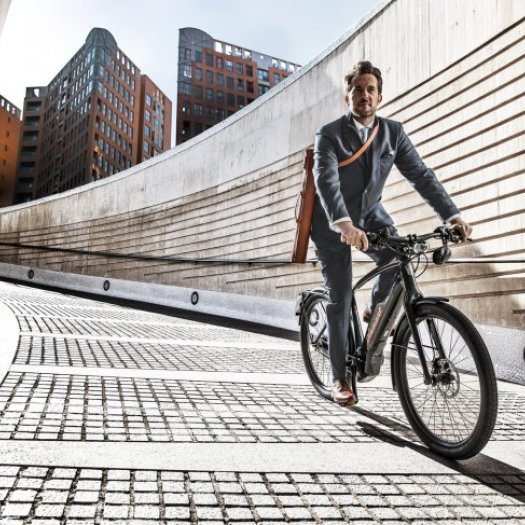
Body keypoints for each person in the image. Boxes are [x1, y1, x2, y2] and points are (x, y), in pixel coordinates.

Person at [311, 60, 472, 405]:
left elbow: (421, 175)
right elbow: (325, 182)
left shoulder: (392, 133)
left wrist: (452, 216)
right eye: (357, 89)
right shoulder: (329, 134)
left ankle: (374, 309)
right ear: (347, 97)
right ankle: (340, 378)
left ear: (380, 97)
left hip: (371, 218)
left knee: (400, 258)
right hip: (332, 224)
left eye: (370, 89)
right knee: (340, 297)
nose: (364, 95)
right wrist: (343, 224)